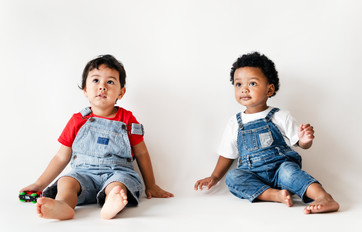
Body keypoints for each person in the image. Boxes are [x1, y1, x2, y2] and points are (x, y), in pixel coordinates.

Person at [20, 55, 173, 220]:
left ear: (121, 92)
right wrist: (39, 184)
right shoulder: (77, 120)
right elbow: (61, 156)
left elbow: (141, 152)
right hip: (83, 173)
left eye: (110, 82)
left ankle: (111, 204)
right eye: (95, 81)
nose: (102, 87)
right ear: (85, 89)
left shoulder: (128, 119)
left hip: (116, 172)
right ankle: (63, 205)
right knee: (66, 182)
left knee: (117, 186)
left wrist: (151, 185)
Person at [194, 52, 339, 214]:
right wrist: (214, 177)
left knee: (290, 173)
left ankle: (323, 197)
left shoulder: (280, 115)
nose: (244, 89)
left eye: (253, 84)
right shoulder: (234, 122)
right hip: (252, 174)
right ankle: (275, 195)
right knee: (233, 177)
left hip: (280, 170)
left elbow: (300, 143)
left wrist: (305, 140)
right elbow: (227, 154)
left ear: (269, 89)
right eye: (238, 84)